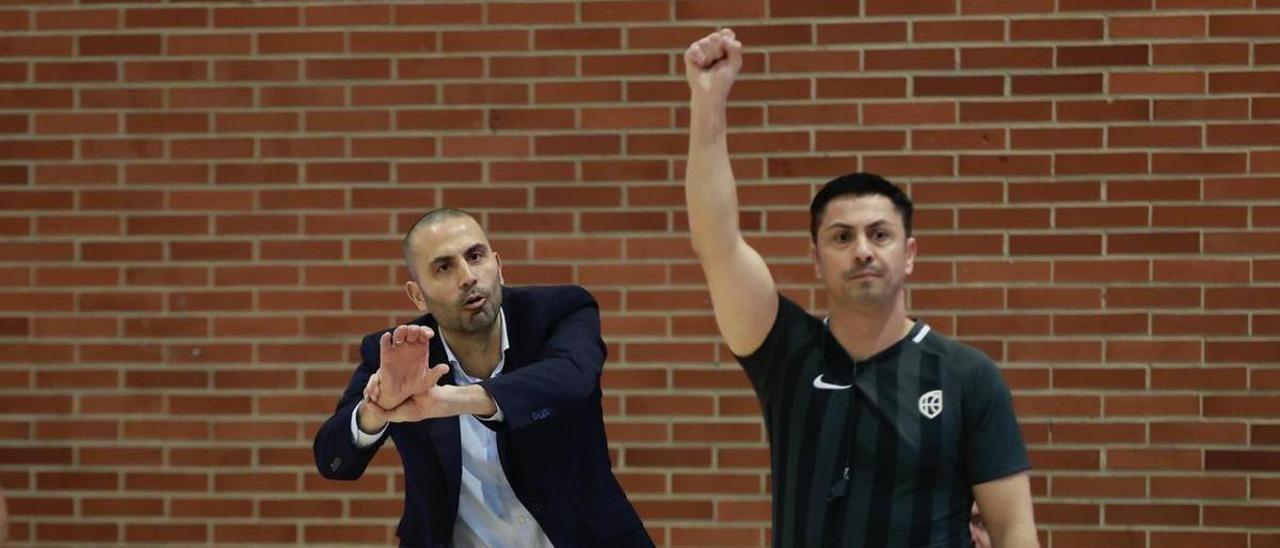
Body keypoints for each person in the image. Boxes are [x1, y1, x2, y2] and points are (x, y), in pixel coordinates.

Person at [682, 29, 1040, 547]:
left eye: (879, 234)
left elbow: (1013, 530)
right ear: (815, 259)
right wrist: (708, 101)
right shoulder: (786, 352)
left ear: (909, 254)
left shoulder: (968, 377)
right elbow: (717, 242)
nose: (863, 251)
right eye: (842, 237)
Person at [313, 208, 652, 548]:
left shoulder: (560, 310)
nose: (468, 277)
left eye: (475, 256)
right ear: (417, 295)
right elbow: (333, 460)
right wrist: (378, 408)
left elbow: (571, 379)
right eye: (444, 267)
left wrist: (449, 401)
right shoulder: (399, 352)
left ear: (498, 265)